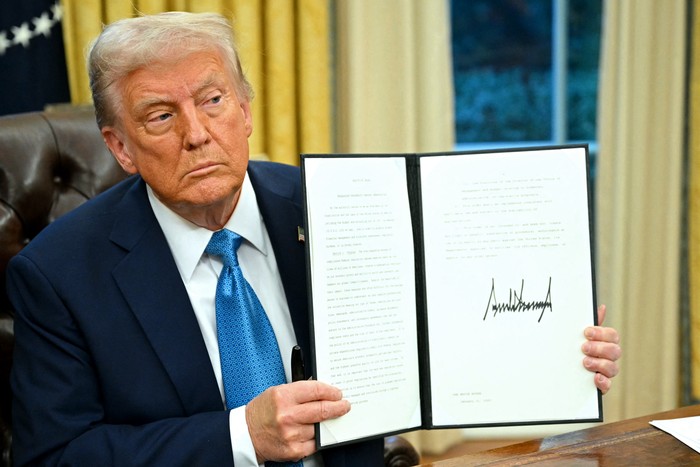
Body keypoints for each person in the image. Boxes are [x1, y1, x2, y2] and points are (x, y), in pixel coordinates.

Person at [6, 11, 621, 467]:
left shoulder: (335, 205)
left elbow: (436, 335)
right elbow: (54, 456)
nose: (196, 134)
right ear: (120, 147)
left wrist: (549, 350)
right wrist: (240, 436)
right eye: (161, 116)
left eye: (213, 100)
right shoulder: (58, 274)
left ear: (245, 110)